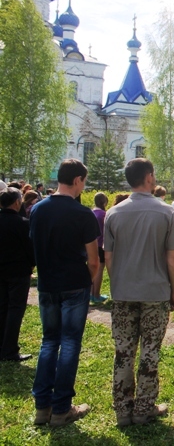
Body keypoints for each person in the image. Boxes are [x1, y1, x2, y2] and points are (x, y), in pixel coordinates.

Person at [104, 158, 174, 427]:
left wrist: (119, 284)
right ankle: (144, 408)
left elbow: (109, 259)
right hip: (155, 292)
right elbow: (173, 258)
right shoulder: (165, 212)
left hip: (123, 292)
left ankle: (123, 410)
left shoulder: (114, 213)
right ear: (149, 177)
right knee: (150, 350)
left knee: (123, 351)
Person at [29, 159, 99, 427]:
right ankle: (61, 409)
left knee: (49, 342)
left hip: (47, 284)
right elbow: (94, 260)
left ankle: (42, 408)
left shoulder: (37, 209)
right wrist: (87, 281)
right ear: (78, 181)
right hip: (73, 284)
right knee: (69, 343)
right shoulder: (82, 214)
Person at [0, 188, 35, 362]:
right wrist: (32, 264)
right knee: (15, 310)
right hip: (18, 272)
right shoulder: (22, 223)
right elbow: (30, 249)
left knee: (2, 307)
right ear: (16, 202)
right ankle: (9, 349)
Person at [90, 193, 109, 304]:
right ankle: (96, 294)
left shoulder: (92, 212)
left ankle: (91, 293)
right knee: (99, 270)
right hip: (101, 245)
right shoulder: (103, 214)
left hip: (91, 244)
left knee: (92, 269)